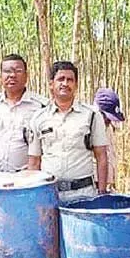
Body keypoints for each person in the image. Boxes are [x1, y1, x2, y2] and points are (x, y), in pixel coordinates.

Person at [26, 61, 108, 204]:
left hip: (84, 194)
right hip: (49, 194)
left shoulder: (92, 115)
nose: (65, 83)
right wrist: (34, 197)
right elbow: (34, 162)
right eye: (60, 79)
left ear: (76, 85)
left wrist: (101, 194)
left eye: (70, 80)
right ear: (51, 84)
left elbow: (101, 157)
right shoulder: (38, 118)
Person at [0, 54, 45, 171]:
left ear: (26, 76)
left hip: (24, 179)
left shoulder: (40, 106)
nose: (12, 75)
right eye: (7, 71)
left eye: (18, 71)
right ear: (0, 77)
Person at [94, 87, 124, 191]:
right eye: (106, 118)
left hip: (106, 187)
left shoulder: (108, 129)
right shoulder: (87, 129)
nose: (108, 121)